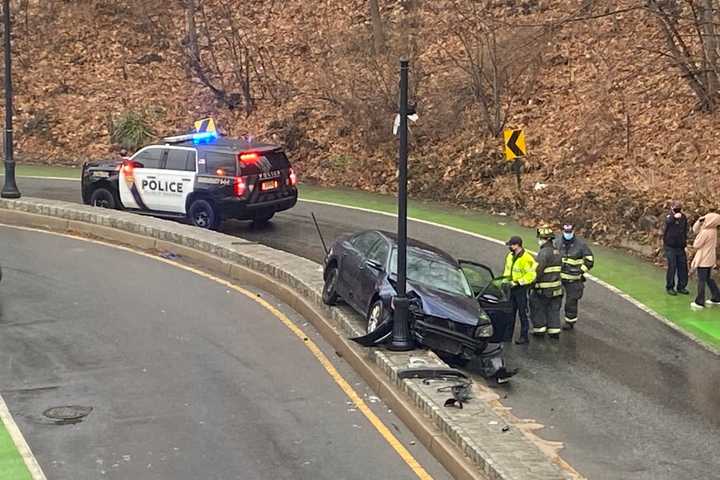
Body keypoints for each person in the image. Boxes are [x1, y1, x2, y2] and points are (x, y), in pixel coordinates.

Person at [555, 223, 594, 329]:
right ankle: (553, 320)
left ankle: (570, 321)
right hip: (558, 278)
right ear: (562, 231)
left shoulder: (581, 245)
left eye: (569, 232)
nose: (568, 234)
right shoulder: (557, 242)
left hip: (574, 279)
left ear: (573, 232)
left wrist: (580, 271)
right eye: (566, 232)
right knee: (555, 299)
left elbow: (589, 260)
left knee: (571, 301)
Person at [502, 236, 537, 345]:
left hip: (521, 289)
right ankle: (507, 336)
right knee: (510, 313)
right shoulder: (510, 256)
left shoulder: (527, 258)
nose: (509, 247)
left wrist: (518, 282)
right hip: (511, 288)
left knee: (523, 313)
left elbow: (531, 275)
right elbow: (507, 270)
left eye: (511, 245)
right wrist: (504, 282)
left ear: (517, 245)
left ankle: (524, 336)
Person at [531, 226, 564, 339]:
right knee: (553, 309)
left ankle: (539, 329)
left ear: (545, 239)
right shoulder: (558, 252)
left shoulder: (543, 253)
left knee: (537, 307)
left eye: (540, 238)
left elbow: (538, 270)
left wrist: (532, 283)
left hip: (543, 289)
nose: (539, 241)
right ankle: (554, 331)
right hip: (557, 289)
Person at [690, 212, 720, 310]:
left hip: (703, 259)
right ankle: (716, 296)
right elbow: (695, 230)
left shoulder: (705, 232)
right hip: (710, 258)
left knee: (701, 280)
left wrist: (700, 223)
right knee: (708, 278)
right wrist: (699, 222)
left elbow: (696, 244)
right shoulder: (714, 230)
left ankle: (700, 301)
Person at [663, 201, 689, 295]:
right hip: (670, 247)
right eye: (676, 207)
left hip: (681, 246)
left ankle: (681, 286)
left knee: (683, 267)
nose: (678, 209)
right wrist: (674, 217)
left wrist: (685, 243)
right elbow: (667, 223)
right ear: (672, 207)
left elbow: (685, 230)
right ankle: (670, 286)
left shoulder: (683, 217)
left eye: (679, 207)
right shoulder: (668, 216)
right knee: (672, 266)